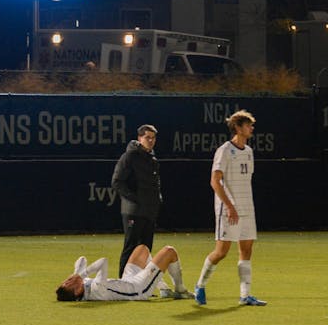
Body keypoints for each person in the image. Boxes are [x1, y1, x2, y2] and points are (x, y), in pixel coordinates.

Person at [194, 110, 267, 306]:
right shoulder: (225, 150)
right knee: (221, 252)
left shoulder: (249, 151)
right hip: (228, 210)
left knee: (246, 249)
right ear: (237, 128)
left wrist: (243, 206)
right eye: (248, 125)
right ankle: (200, 285)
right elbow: (215, 181)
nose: (252, 128)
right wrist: (229, 206)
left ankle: (245, 295)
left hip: (247, 208)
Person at [55, 244, 191, 301]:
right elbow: (103, 262)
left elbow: (82, 259)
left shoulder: (81, 286)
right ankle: (180, 290)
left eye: (65, 282)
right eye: (68, 284)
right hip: (139, 288)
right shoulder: (96, 290)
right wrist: (80, 275)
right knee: (169, 251)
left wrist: (76, 272)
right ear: (77, 292)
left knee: (141, 249)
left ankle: (163, 289)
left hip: (127, 279)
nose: (67, 281)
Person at [112, 124, 162, 277]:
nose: (151, 141)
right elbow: (117, 182)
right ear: (140, 138)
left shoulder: (152, 159)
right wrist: (135, 199)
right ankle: (122, 282)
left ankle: (139, 283)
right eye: (147, 137)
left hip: (149, 211)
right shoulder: (130, 157)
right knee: (131, 246)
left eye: (153, 138)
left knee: (145, 249)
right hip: (133, 211)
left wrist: (157, 199)